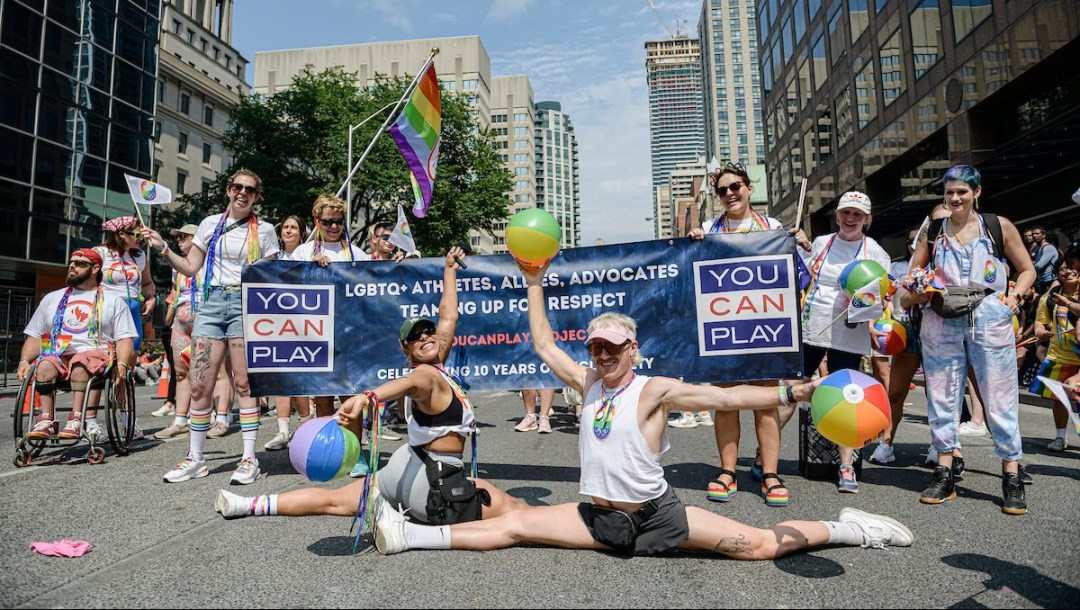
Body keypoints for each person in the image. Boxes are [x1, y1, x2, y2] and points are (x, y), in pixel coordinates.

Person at [368, 258, 913, 558]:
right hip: (594, 517)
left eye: (611, 348)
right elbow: (542, 344)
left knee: (761, 547)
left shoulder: (653, 390)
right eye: (596, 347)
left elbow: (724, 398)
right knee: (514, 526)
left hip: (657, 516)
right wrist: (534, 281)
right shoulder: (588, 382)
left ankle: (853, 529)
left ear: (632, 349)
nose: (601, 355)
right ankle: (407, 535)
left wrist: (788, 393)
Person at [214, 247, 525, 526]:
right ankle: (407, 536)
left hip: (406, 465)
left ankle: (249, 504)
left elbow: (448, 315)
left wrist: (448, 270)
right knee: (515, 510)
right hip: (432, 478)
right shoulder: (424, 376)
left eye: (429, 332)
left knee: (338, 501)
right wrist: (367, 396)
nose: (426, 337)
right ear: (407, 350)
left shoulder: (437, 364)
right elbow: (405, 383)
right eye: (416, 337)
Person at [902, 164, 1036, 515]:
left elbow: (1027, 269)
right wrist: (918, 284)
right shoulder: (933, 230)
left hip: (989, 316)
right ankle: (944, 469)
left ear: (977, 192)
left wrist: (1013, 298)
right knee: (943, 395)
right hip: (941, 318)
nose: (956, 198)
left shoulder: (996, 226)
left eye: (962, 191)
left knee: (1000, 396)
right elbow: (914, 271)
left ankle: (1011, 472)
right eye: (949, 192)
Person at [142, 169, 280, 484]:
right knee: (201, 382)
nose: (242, 192)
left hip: (247, 305)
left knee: (244, 384)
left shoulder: (267, 231)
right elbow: (191, 268)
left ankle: (248, 459)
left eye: (250, 189)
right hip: (213, 303)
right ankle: (196, 458)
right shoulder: (209, 225)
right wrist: (164, 248)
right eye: (237, 186)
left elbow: (276, 273)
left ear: (257, 196)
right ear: (228, 190)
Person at [685, 162, 787, 506]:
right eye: (722, 190)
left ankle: (770, 473)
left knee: (766, 403)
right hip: (724, 329)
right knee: (725, 404)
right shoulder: (708, 230)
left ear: (748, 188)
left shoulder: (772, 226)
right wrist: (692, 244)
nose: (730, 194)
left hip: (766, 326)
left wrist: (796, 241)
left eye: (735, 187)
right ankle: (728, 471)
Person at [778, 191, 891, 494]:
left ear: (866, 219)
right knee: (793, 387)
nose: (850, 219)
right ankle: (767, 455)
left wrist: (873, 310)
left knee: (848, 397)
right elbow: (802, 270)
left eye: (857, 214)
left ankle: (846, 466)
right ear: (838, 214)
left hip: (849, 332)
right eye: (846, 213)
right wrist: (799, 244)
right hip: (813, 325)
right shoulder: (821, 242)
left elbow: (882, 293)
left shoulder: (875, 252)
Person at [18, 249, 137, 441]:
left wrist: (122, 364)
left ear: (95, 269)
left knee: (80, 364)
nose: (72, 266)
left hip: (95, 355)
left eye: (80, 263)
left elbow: (125, 338)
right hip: (58, 354)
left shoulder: (113, 301)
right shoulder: (51, 298)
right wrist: (24, 360)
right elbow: (35, 335)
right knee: (44, 365)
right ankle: (46, 419)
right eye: (71, 262)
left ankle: (76, 419)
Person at [263, 215, 314, 451]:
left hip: (303, 324)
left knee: (298, 379)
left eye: (294, 227)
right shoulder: (272, 256)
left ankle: (305, 424)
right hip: (276, 323)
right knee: (281, 378)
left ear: (302, 232)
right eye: (285, 227)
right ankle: (283, 431)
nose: (289, 231)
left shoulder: (308, 255)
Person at [1030, 245, 1080, 452]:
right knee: (1059, 399)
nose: (1067, 272)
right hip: (1058, 355)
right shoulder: (1048, 298)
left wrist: (1068, 303)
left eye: (1071, 269)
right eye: (1063, 269)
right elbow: (1040, 322)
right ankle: (1060, 437)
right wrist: (1040, 332)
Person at [1030, 226, 1060, 294]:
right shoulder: (1040, 248)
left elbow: (1039, 266)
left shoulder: (1048, 248)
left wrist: (1028, 267)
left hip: (1050, 281)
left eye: (1037, 234)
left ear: (1043, 235)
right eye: (1033, 234)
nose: (1034, 236)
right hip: (1043, 282)